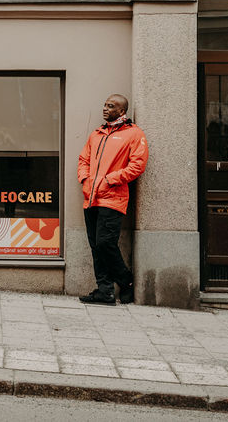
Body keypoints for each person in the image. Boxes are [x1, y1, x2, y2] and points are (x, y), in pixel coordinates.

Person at [77, 93, 148, 305]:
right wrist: (85, 180)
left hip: (113, 198)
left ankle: (126, 281)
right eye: (105, 105)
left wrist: (110, 180)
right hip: (91, 198)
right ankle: (105, 291)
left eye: (111, 106)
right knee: (96, 246)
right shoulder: (96, 134)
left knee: (105, 244)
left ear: (121, 111)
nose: (105, 108)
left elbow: (138, 166)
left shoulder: (134, 134)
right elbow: (83, 159)